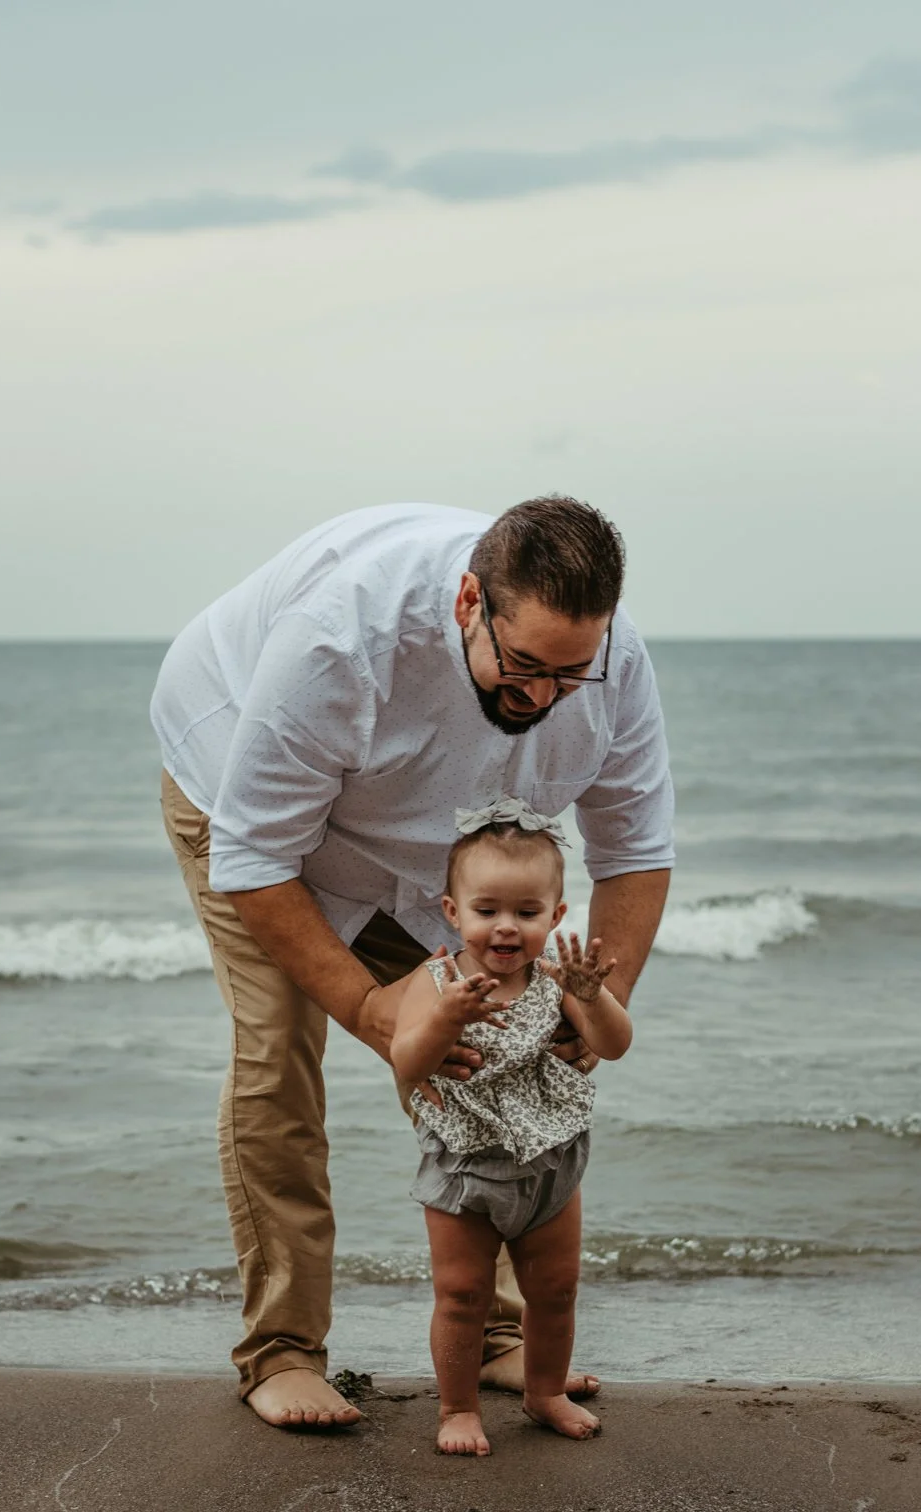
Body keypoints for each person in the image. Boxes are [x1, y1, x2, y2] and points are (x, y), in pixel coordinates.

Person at [150, 495, 674, 1430]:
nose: (544, 697)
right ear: (470, 599)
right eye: (523, 669)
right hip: (247, 804)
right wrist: (371, 1010)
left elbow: (635, 847)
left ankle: (494, 1338)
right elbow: (255, 861)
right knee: (281, 1053)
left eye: (570, 675)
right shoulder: (339, 644)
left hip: (428, 845)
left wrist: (597, 1004)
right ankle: (283, 1351)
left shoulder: (609, 663)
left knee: (495, 1055)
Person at [392, 801, 632, 1456]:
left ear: (555, 918)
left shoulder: (557, 982)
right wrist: (444, 1020)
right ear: (451, 911)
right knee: (463, 1292)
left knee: (554, 1290)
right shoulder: (435, 980)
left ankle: (544, 1390)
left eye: (526, 914)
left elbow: (614, 1045)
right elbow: (408, 1063)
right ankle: (458, 1406)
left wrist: (591, 996)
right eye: (487, 910)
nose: (505, 928)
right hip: (465, 1166)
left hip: (550, 1163)